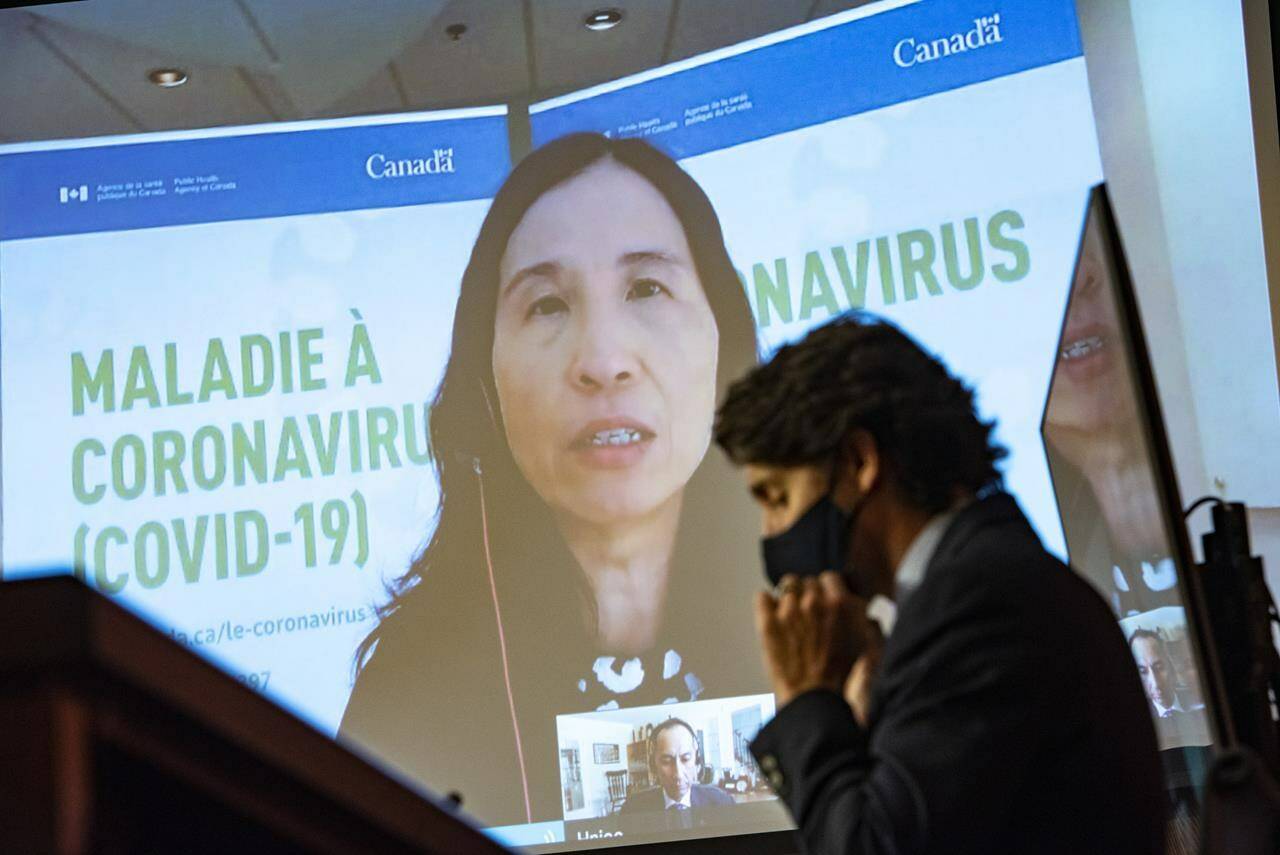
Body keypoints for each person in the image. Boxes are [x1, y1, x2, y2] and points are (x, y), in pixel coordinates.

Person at [339, 133, 763, 826]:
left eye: (647, 288)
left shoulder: (839, 621)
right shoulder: (410, 690)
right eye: (547, 306)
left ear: (725, 348)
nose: (602, 360)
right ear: (487, 384)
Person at [712, 313, 1166, 854]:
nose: (772, 533)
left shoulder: (979, 603)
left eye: (779, 498)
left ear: (859, 462)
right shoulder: (985, 583)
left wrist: (810, 697)